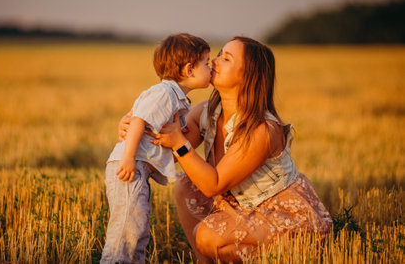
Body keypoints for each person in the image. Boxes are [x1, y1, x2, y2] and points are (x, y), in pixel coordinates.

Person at [119, 36, 333, 263]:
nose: (215, 61)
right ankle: (206, 260)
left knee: (206, 234)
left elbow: (213, 184)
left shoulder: (261, 129)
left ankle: (287, 257)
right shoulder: (208, 112)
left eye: (226, 58)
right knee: (185, 184)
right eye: (219, 54)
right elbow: (165, 145)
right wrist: (135, 125)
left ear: (248, 75)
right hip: (241, 206)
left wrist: (180, 144)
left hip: (280, 216)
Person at [101, 33, 212, 264]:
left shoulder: (177, 98)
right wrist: (129, 158)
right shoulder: (165, 94)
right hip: (131, 168)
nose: (211, 68)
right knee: (126, 231)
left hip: (137, 168)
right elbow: (138, 120)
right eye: (207, 63)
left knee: (137, 226)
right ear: (190, 69)